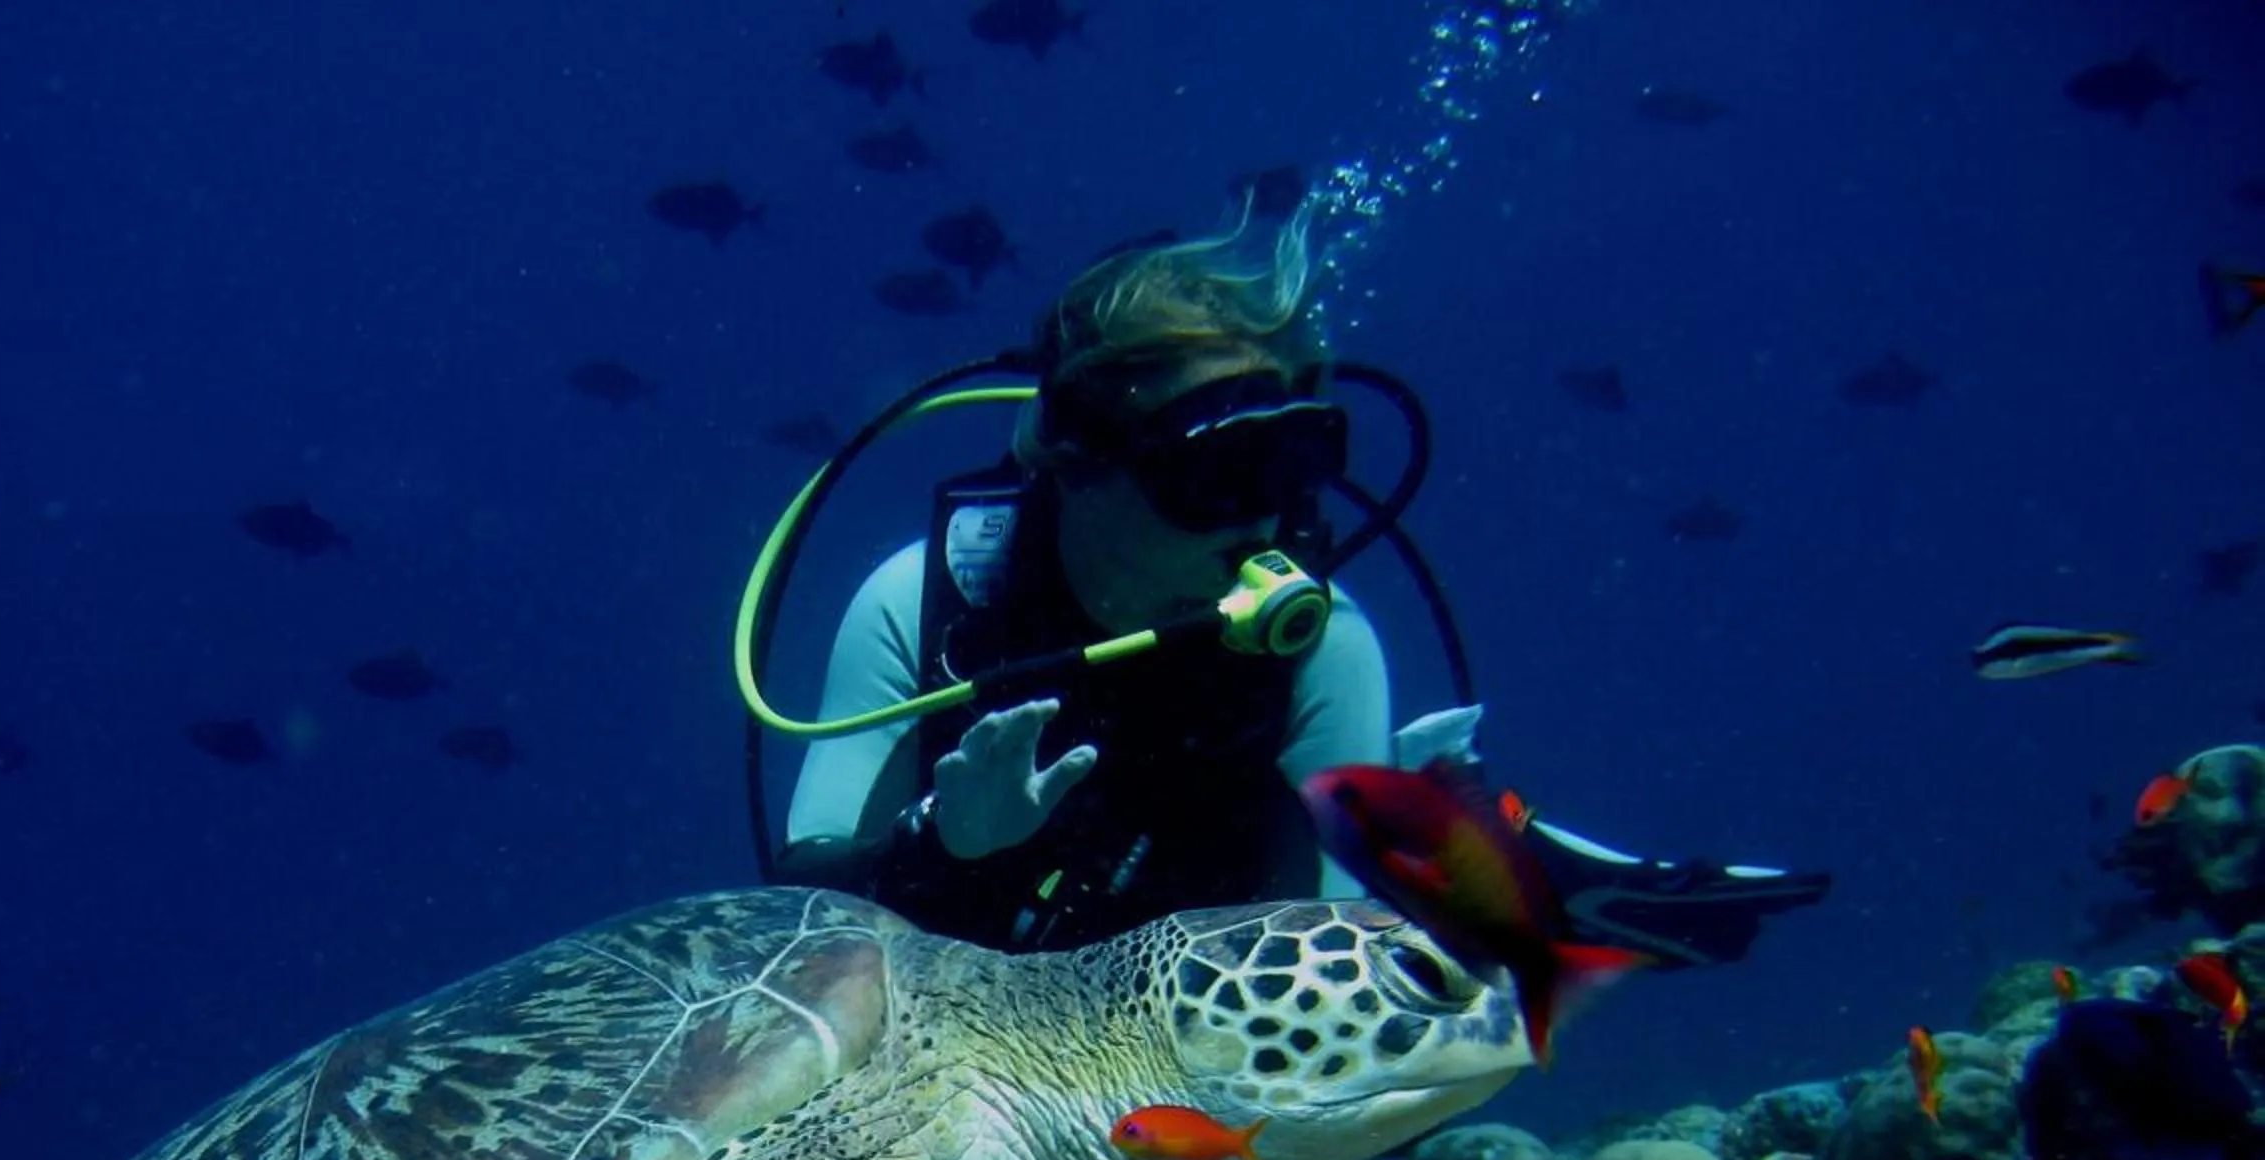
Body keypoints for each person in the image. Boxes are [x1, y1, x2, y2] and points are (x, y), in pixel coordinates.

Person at [773, 207, 1826, 961]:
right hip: (929, 1086)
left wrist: (1506, 911)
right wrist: (943, 847)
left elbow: (1344, 969)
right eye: (1215, 472)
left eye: (1297, 463)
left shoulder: (1321, 647)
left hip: (1184, 1120)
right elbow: (788, 938)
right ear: (1074, 456)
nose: (1263, 520)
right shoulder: (929, 607)